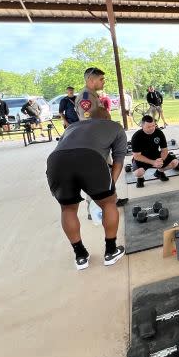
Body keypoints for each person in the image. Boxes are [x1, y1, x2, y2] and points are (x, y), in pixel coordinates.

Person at [45, 107, 126, 270]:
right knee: (109, 203)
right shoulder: (115, 127)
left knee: (67, 209)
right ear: (108, 116)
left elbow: (67, 149)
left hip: (56, 161)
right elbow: (118, 161)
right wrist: (110, 189)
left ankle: (80, 255)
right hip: (90, 158)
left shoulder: (73, 127)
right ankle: (110, 251)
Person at [130, 115, 179, 188]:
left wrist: (161, 160)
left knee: (175, 163)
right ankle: (140, 178)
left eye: (153, 125)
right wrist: (153, 162)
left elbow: (164, 150)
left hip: (156, 155)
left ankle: (159, 172)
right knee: (138, 172)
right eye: (148, 127)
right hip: (142, 158)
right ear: (142, 125)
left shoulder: (159, 132)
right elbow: (136, 156)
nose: (151, 128)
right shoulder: (136, 136)